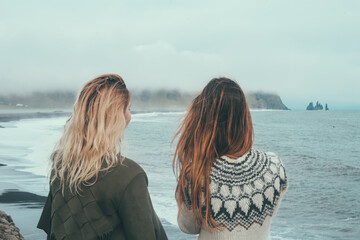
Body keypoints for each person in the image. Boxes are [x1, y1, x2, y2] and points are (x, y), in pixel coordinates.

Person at [38, 74, 167, 240]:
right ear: (116, 118)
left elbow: (53, 230)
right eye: (128, 109)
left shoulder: (61, 165)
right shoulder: (129, 175)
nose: (129, 115)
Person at [173, 77, 288, 240]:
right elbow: (268, 212)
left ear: (202, 121)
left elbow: (188, 227)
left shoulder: (196, 174)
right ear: (244, 118)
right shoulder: (274, 166)